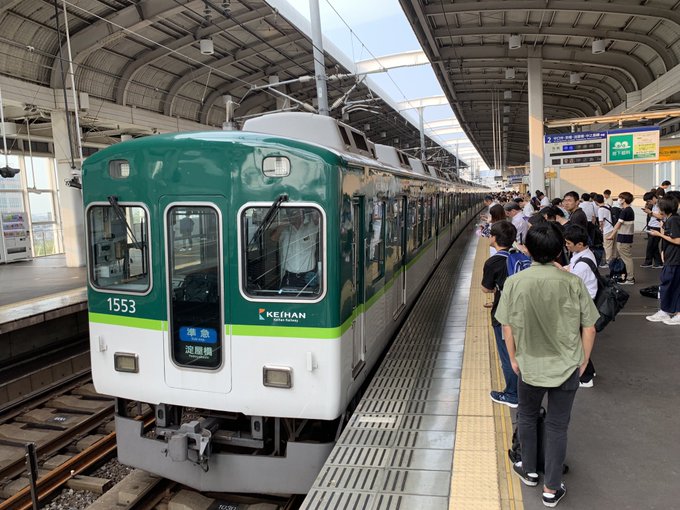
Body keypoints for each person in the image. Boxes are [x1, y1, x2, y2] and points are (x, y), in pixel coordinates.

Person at [496, 223, 598, 508]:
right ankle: (552, 488)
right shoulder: (572, 282)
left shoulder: (515, 282)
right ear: (561, 248)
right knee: (557, 425)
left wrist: (514, 359)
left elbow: (507, 327)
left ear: (527, 249)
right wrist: (584, 360)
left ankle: (529, 472)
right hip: (567, 366)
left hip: (529, 366)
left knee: (527, 417)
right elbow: (589, 328)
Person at [481, 220, 519, 408]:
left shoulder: (493, 261)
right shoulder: (520, 255)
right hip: (524, 311)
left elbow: (485, 288)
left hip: (504, 315)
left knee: (507, 355)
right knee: (520, 351)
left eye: (490, 234)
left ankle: (512, 394)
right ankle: (525, 388)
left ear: (495, 238)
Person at [559, 225, 598, 387]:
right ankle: (590, 370)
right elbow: (570, 270)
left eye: (569, 243)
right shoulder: (581, 254)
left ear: (580, 244)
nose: (566, 245)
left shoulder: (582, 264)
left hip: (582, 304)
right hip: (584, 301)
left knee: (577, 339)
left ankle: (586, 377)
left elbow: (571, 282)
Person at [646, 196, 680, 325]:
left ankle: (671, 312)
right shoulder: (670, 219)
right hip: (671, 257)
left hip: (675, 259)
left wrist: (659, 234)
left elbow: (677, 240)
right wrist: (663, 251)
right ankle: (667, 311)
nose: (658, 208)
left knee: (669, 284)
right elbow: (669, 236)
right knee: (669, 284)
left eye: (659, 206)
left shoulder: (674, 220)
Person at [272, 209, 319, 289]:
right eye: (292, 213)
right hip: (290, 277)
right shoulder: (285, 231)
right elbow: (273, 238)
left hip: (308, 277)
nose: (296, 216)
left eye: (298, 213)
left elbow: (317, 218)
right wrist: (284, 223)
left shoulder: (310, 228)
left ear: (303, 215)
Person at [606, 191, 636, 285]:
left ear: (624, 200)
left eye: (620, 198)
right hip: (627, 238)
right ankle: (627, 277)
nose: (619, 199)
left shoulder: (625, 211)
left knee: (627, 259)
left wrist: (611, 235)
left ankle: (630, 279)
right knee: (626, 258)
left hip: (624, 238)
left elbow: (618, 225)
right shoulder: (629, 210)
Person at [641, 191, 663, 268]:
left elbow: (661, 217)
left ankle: (652, 262)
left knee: (652, 245)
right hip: (652, 225)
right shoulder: (654, 205)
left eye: (649, 201)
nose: (649, 203)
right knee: (653, 246)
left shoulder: (661, 204)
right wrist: (649, 212)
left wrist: (650, 212)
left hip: (656, 227)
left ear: (654, 198)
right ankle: (656, 262)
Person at [595, 194, 615, 266]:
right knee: (613, 246)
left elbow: (601, 222)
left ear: (596, 201)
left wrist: (601, 229)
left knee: (607, 247)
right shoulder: (607, 205)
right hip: (613, 228)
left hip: (607, 229)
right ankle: (613, 260)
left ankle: (608, 262)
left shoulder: (601, 209)